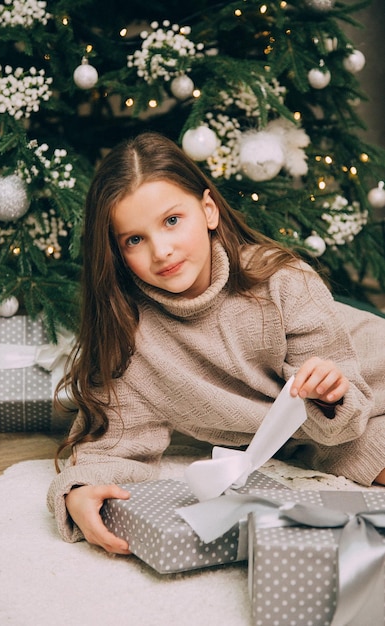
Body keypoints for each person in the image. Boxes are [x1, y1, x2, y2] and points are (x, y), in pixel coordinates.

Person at [47, 131, 385, 554]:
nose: (162, 251)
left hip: (369, 381)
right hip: (317, 437)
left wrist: (332, 391)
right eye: (135, 239)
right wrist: (79, 490)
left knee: (349, 444)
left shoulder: (282, 280)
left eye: (172, 221)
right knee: (355, 456)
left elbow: (347, 414)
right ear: (116, 252)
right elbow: (115, 440)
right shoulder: (131, 336)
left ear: (208, 210)